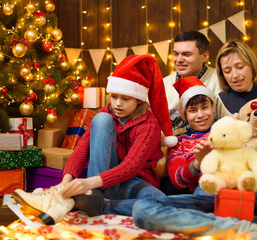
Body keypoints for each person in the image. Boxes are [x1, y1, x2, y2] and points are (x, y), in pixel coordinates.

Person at [131, 41, 257, 239]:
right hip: (209, 191)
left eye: (240, 67)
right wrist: (198, 162)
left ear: (214, 110)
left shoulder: (233, 126)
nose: (235, 75)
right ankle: (245, 228)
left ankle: (239, 227)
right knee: (142, 209)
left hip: (252, 187)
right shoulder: (185, 138)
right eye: (227, 70)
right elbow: (177, 177)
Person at [11, 54, 178, 225]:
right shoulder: (105, 113)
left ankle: (91, 203)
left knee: (160, 201)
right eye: (114, 97)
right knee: (102, 119)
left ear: (139, 100)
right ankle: (84, 196)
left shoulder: (149, 123)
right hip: (100, 180)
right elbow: (81, 151)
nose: (118, 103)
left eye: (125, 99)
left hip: (133, 181)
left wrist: (89, 183)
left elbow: (131, 167)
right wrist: (64, 183)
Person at [163, 30, 222, 131]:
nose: (179, 60)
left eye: (186, 54)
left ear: (204, 56)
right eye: (176, 54)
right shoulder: (162, 84)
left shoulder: (221, 81)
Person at [166, 76, 215, 193]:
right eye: (193, 110)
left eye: (204, 107)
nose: (200, 115)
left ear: (213, 107)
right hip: (206, 189)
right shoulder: (178, 142)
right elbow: (177, 181)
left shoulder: (228, 127)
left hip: (240, 183)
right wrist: (198, 163)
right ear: (185, 115)